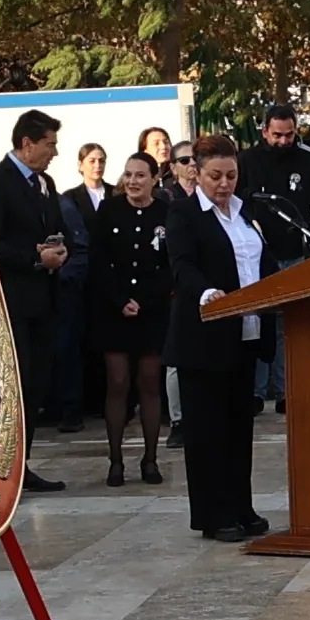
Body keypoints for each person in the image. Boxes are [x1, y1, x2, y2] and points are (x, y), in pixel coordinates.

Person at [161, 133, 293, 539]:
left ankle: (241, 506)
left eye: (231, 175)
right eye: (215, 175)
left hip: (246, 332)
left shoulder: (247, 211)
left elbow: (263, 262)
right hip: (205, 336)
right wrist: (207, 293)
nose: (224, 184)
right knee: (207, 432)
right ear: (196, 173)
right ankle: (213, 515)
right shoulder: (184, 214)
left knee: (239, 427)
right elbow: (182, 264)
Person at [0, 109, 79, 477]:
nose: (55, 152)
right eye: (50, 144)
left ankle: (21, 464)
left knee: (36, 384)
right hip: (11, 303)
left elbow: (56, 228)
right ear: (27, 143)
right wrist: (34, 258)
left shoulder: (45, 183)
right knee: (13, 384)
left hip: (44, 302)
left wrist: (59, 250)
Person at [90, 148, 176, 486]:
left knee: (150, 384)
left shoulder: (167, 214)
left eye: (140, 175)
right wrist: (120, 300)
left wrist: (145, 301)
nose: (132, 181)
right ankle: (115, 461)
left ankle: (150, 460)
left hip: (152, 312)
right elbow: (97, 261)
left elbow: (171, 265)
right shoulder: (108, 211)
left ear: (155, 179)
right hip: (114, 311)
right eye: (128, 174)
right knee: (118, 382)